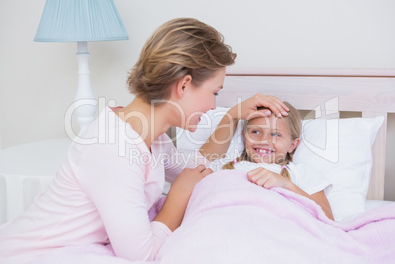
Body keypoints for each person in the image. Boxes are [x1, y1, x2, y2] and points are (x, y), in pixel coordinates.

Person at [0, 18, 289, 263]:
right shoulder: (115, 147)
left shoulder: (150, 133)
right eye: (215, 92)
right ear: (184, 85)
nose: (214, 106)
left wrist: (232, 118)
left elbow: (195, 169)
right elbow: (142, 255)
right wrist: (177, 195)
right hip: (37, 254)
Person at [201, 102, 334, 220]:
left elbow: (327, 218)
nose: (264, 140)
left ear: (293, 145)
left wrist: (286, 185)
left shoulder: (300, 172)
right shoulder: (223, 167)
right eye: (255, 132)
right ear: (244, 136)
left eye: (276, 134)